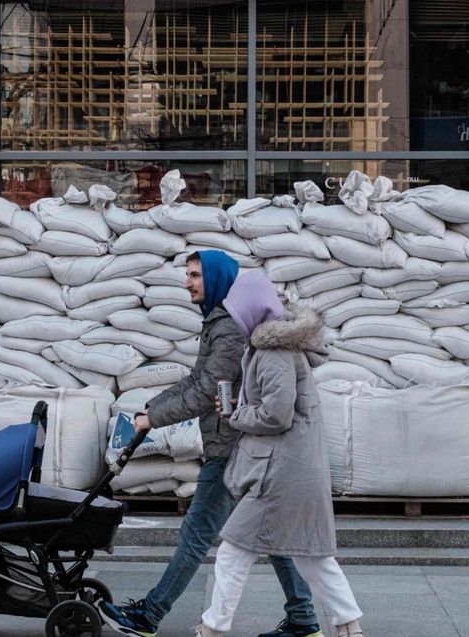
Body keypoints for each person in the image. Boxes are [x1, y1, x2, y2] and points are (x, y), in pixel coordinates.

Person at [99, 250, 322, 637]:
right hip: (237, 443)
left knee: (197, 533)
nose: (188, 282)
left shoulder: (229, 327)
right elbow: (196, 378)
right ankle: (303, 618)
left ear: (217, 278)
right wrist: (152, 407)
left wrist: (155, 418)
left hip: (233, 447)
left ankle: (149, 615)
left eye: (196, 275)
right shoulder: (219, 322)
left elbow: (206, 392)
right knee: (270, 533)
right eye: (187, 274)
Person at [194, 271, 365, 637]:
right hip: (294, 468)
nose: (234, 316)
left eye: (236, 308)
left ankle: (213, 629)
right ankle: (350, 626)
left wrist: (236, 414)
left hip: (280, 474)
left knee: (233, 551)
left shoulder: (272, 351)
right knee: (310, 555)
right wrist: (241, 406)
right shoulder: (273, 348)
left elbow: (276, 413)